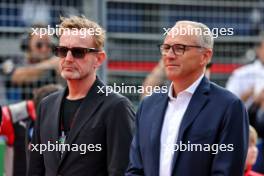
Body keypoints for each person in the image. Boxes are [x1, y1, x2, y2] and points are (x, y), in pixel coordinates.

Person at [126, 21, 249, 176]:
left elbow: (226, 171)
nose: (169, 56)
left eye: (179, 48)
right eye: (166, 48)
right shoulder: (148, 106)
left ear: (205, 56)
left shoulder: (229, 107)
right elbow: (135, 169)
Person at [28, 16, 135, 176]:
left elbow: (121, 170)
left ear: (99, 59)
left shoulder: (116, 106)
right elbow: (36, 169)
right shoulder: (46, 105)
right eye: (63, 51)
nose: (68, 59)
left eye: (78, 52)